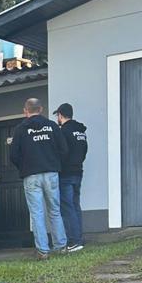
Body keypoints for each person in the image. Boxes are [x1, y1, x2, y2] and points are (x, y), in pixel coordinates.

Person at [11, 98, 69, 259]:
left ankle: (43, 250)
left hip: (31, 175)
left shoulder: (21, 129)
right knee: (55, 210)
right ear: (41, 109)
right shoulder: (52, 126)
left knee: (37, 213)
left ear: (25, 111)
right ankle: (61, 246)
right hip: (51, 172)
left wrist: (24, 167)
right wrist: (55, 163)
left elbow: (13, 155)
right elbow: (64, 149)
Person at [54, 102, 88, 252]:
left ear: (60, 115)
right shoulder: (81, 131)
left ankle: (74, 241)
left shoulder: (63, 131)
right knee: (75, 206)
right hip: (78, 172)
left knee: (67, 208)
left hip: (66, 174)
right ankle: (79, 238)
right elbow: (84, 151)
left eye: (57, 116)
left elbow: (62, 151)